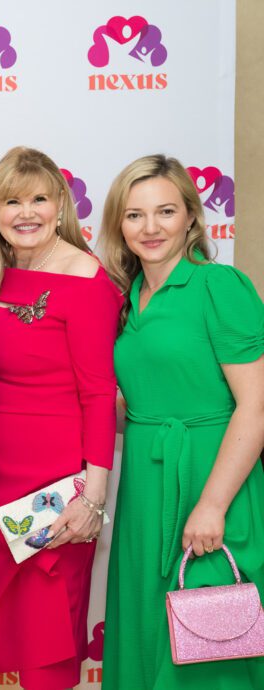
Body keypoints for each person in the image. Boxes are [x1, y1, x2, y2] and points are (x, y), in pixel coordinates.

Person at [99, 155, 264, 689]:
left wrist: (213, 504)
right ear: (119, 225)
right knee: (148, 632)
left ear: (192, 218)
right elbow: (140, 401)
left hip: (215, 479)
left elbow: (256, 405)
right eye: (135, 215)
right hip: (146, 491)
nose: (150, 228)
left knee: (213, 649)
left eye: (165, 211)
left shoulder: (219, 286)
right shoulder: (126, 302)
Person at [0, 147, 122, 690]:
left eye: (38, 198)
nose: (25, 212)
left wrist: (92, 499)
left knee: (49, 649)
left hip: (55, 495)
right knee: (18, 643)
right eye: (12, 200)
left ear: (61, 207)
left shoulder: (86, 280)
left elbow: (100, 396)